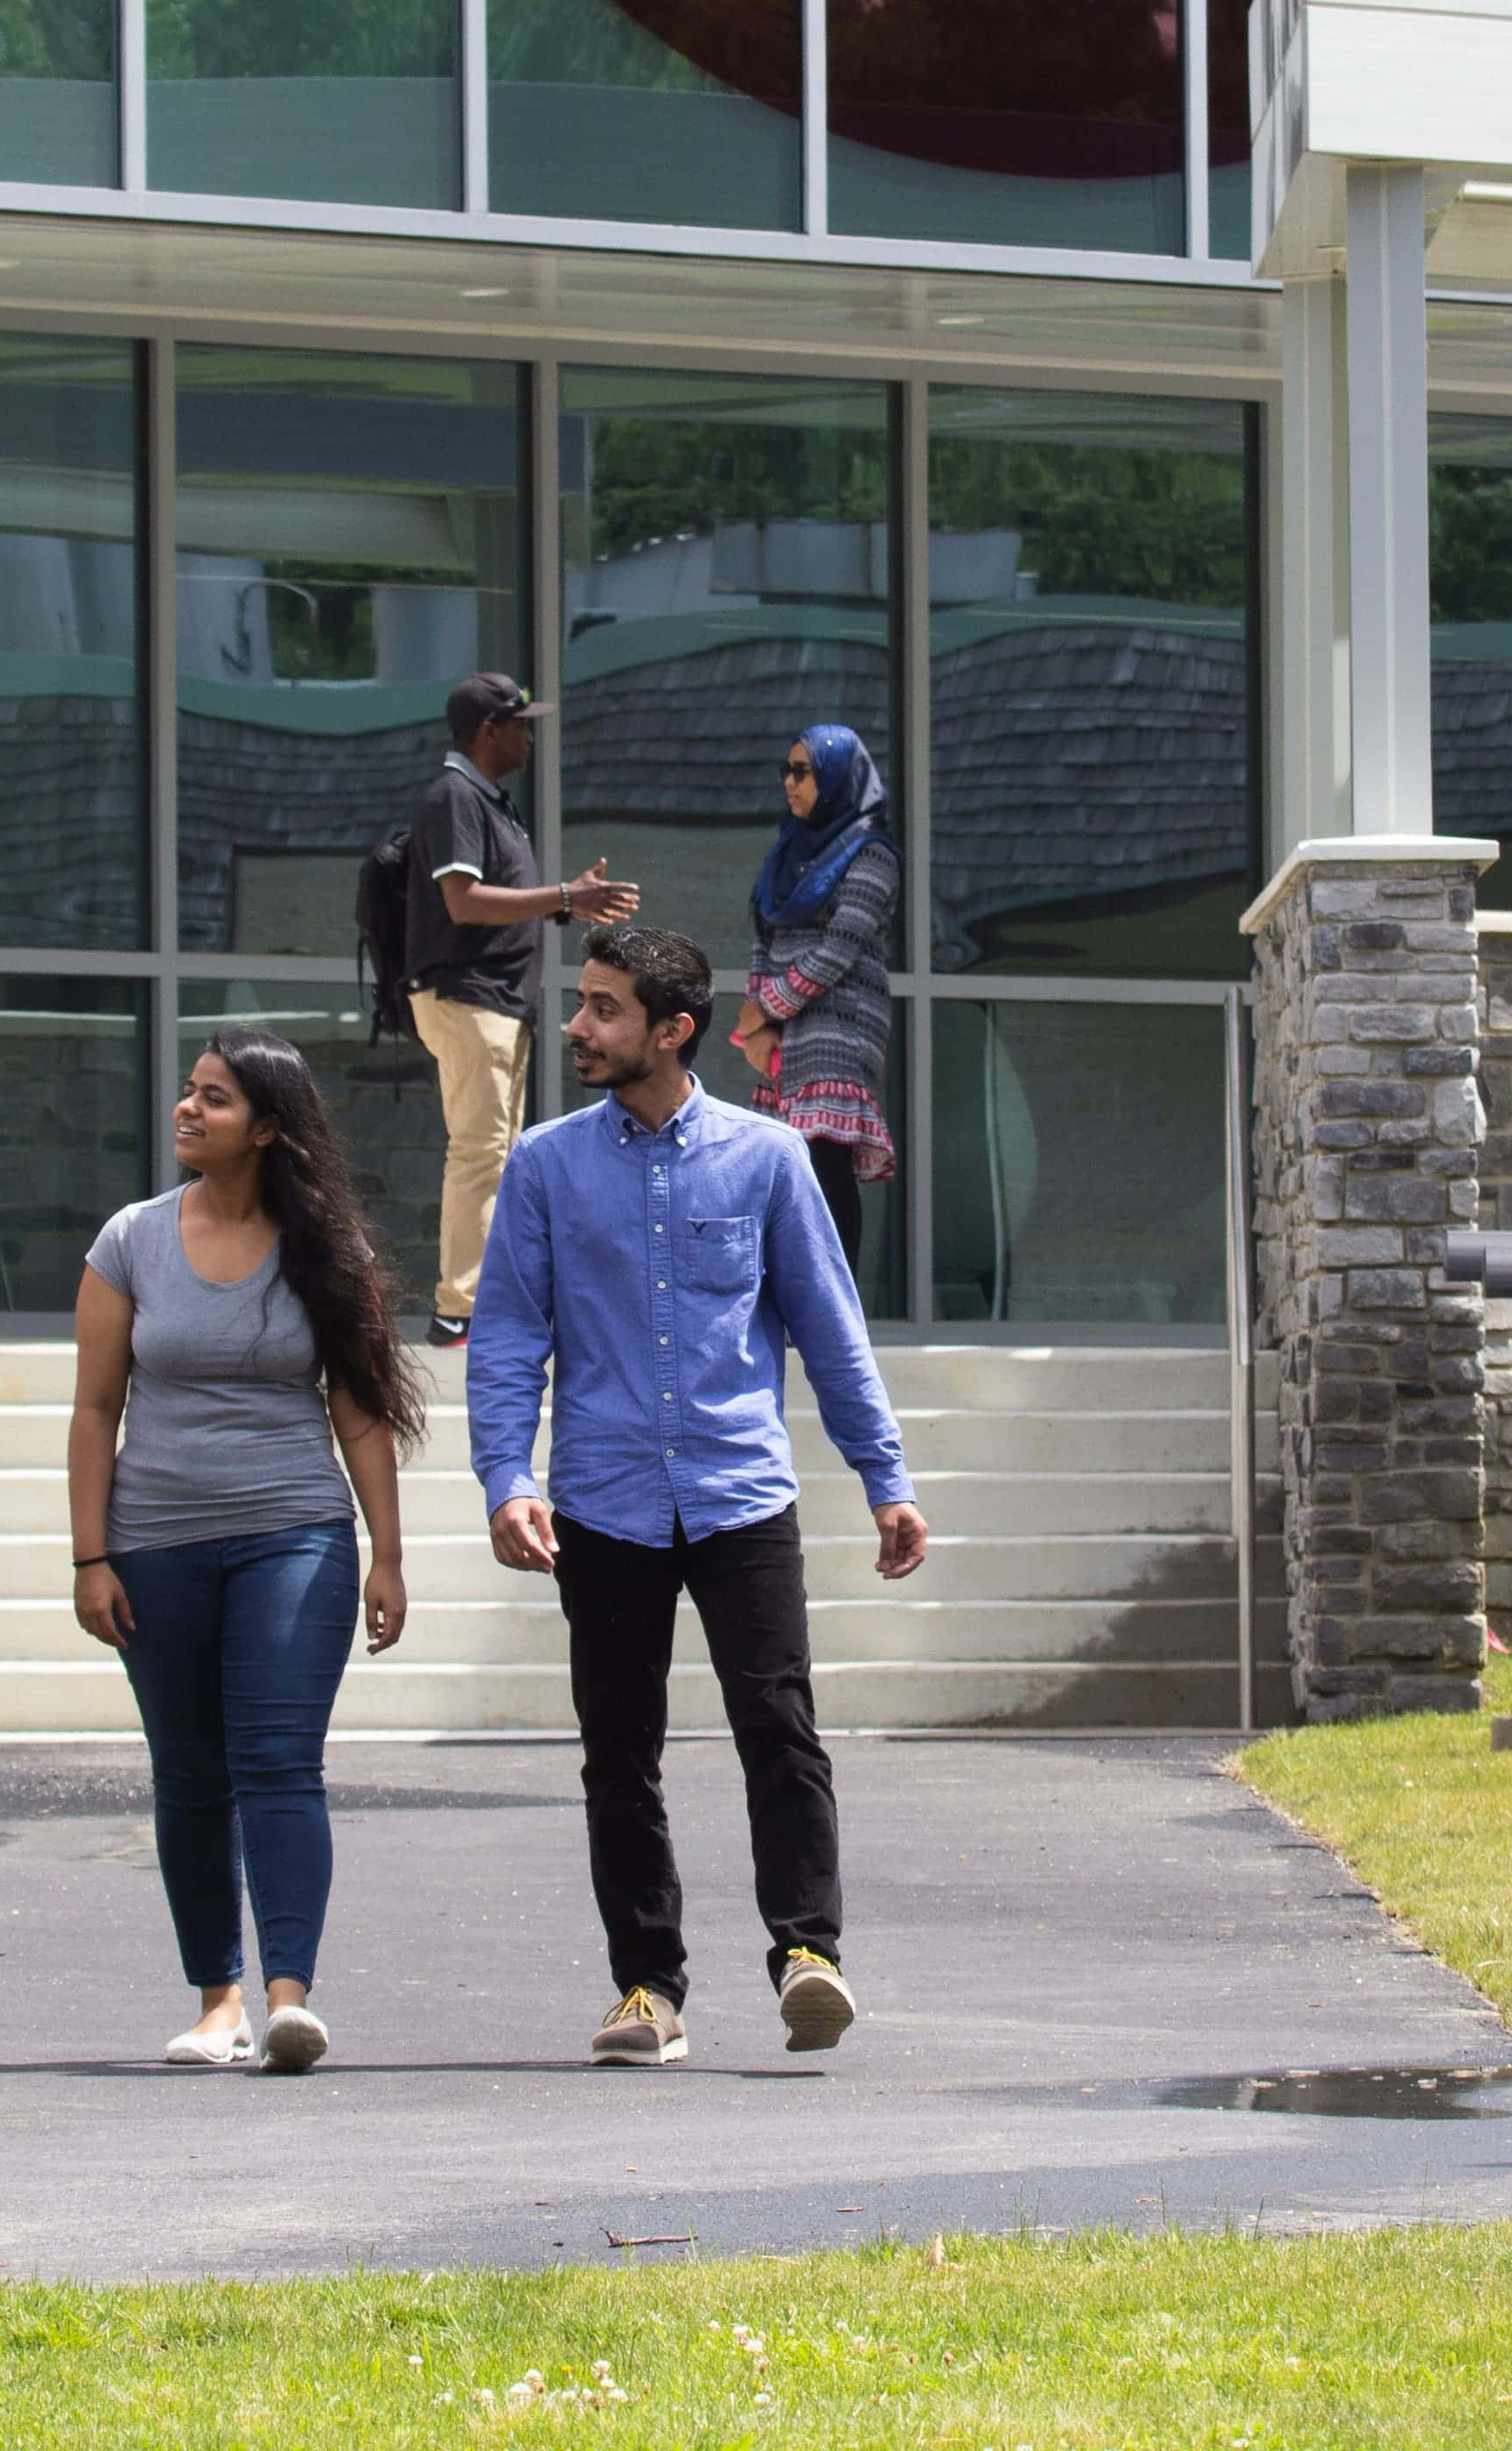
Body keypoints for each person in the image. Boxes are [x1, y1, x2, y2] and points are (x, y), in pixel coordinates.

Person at [471, 925, 928, 2066]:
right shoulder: (545, 1165)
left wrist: (887, 1480)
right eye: (581, 1004)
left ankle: (808, 1956)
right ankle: (646, 1989)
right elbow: (510, 1334)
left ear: (671, 1031)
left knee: (780, 1732)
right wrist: (505, 1477)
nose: (578, 1026)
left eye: (605, 1009)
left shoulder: (769, 1161)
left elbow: (831, 1329)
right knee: (618, 1751)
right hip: (603, 1498)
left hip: (740, 1496)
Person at [64, 1029, 419, 2074]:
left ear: (267, 1128)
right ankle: (217, 2000)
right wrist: (90, 1557)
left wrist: (387, 1556)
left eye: (213, 1099)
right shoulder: (129, 1240)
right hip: (155, 1543)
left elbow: (361, 1417)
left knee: (276, 1763)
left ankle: (288, 1999)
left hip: (293, 1534)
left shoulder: (329, 1250)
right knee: (189, 1773)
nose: (187, 1111)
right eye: (188, 1094)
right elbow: (94, 1409)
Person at [403, 671, 639, 1348]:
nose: (529, 736)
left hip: (500, 1001)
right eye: (520, 723)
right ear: (488, 732)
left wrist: (565, 900)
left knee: (500, 1154)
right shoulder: (454, 796)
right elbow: (463, 902)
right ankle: (459, 1310)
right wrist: (564, 896)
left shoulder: (490, 801)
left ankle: (487, 1301)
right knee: (480, 1151)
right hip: (468, 995)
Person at [729, 723, 901, 1278]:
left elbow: (841, 947)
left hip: (839, 1026)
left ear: (835, 779)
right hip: (782, 1028)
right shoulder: (786, 855)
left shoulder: (872, 855)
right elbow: (764, 937)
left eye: (803, 771)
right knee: (779, 1169)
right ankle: (789, 1303)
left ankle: (835, 1307)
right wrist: (758, 1025)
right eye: (787, 770)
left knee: (824, 1161)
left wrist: (768, 1008)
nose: (790, 782)